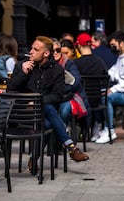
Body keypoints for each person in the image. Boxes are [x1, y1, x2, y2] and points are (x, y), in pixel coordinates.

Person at [7, 36, 89, 165]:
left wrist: (36, 101)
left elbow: (57, 96)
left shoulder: (57, 70)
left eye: (36, 49)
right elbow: (10, 89)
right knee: (48, 110)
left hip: (41, 113)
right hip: (22, 112)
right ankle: (70, 146)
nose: (31, 51)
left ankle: (34, 159)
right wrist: (23, 73)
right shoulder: (21, 65)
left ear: (45, 53)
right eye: (31, 48)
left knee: (48, 120)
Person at [95, 31, 124, 144]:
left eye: (113, 45)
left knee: (107, 97)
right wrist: (103, 75)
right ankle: (101, 128)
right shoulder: (121, 57)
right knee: (99, 94)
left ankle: (110, 130)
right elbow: (113, 72)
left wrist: (113, 89)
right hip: (123, 92)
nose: (112, 48)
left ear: (121, 44)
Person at [74, 32, 108, 142]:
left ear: (79, 46)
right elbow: (106, 78)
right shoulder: (99, 61)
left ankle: (81, 131)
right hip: (96, 99)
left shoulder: (76, 63)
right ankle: (95, 127)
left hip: (82, 102)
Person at [52, 38, 87, 126]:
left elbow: (77, 83)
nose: (55, 53)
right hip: (52, 98)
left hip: (68, 96)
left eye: (58, 50)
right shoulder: (46, 65)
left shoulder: (68, 63)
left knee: (65, 110)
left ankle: (62, 131)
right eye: (52, 51)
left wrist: (62, 89)